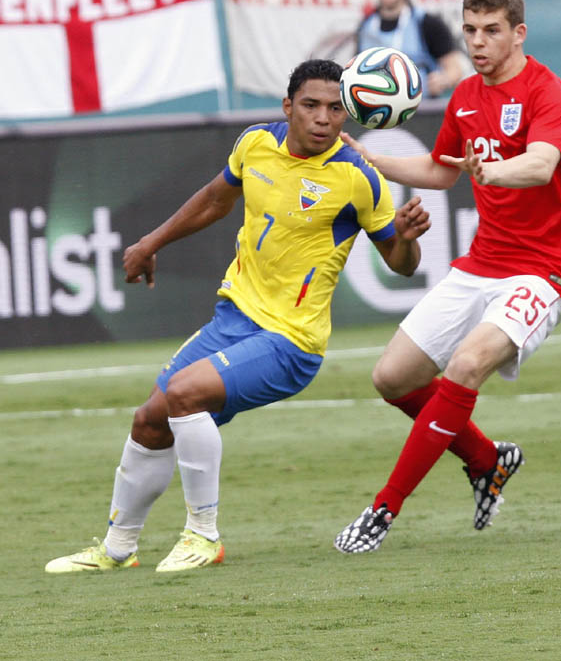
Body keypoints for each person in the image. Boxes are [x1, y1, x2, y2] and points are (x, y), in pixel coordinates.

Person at [45, 59, 431, 574]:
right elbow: (213, 201)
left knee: (183, 394)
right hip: (234, 317)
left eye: (335, 108)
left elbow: (401, 267)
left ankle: (203, 535)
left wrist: (405, 240)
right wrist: (150, 242)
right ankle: (117, 550)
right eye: (311, 105)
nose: (322, 118)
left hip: (291, 341)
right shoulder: (256, 144)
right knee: (149, 421)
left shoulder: (358, 178)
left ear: (349, 114)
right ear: (287, 107)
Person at [334, 0, 561, 553]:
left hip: (542, 272)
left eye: (491, 31)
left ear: (518, 33)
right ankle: (487, 460)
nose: (478, 42)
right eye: (470, 30)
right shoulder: (467, 96)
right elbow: (443, 169)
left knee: (468, 363)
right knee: (391, 377)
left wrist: (496, 171)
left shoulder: (549, 94)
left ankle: (382, 511)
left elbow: (542, 165)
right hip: (482, 263)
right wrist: (375, 160)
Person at [357, 0, 464, 98]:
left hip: (423, 113)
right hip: (379, 113)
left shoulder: (428, 23)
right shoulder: (365, 27)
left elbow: (455, 69)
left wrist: (443, 80)